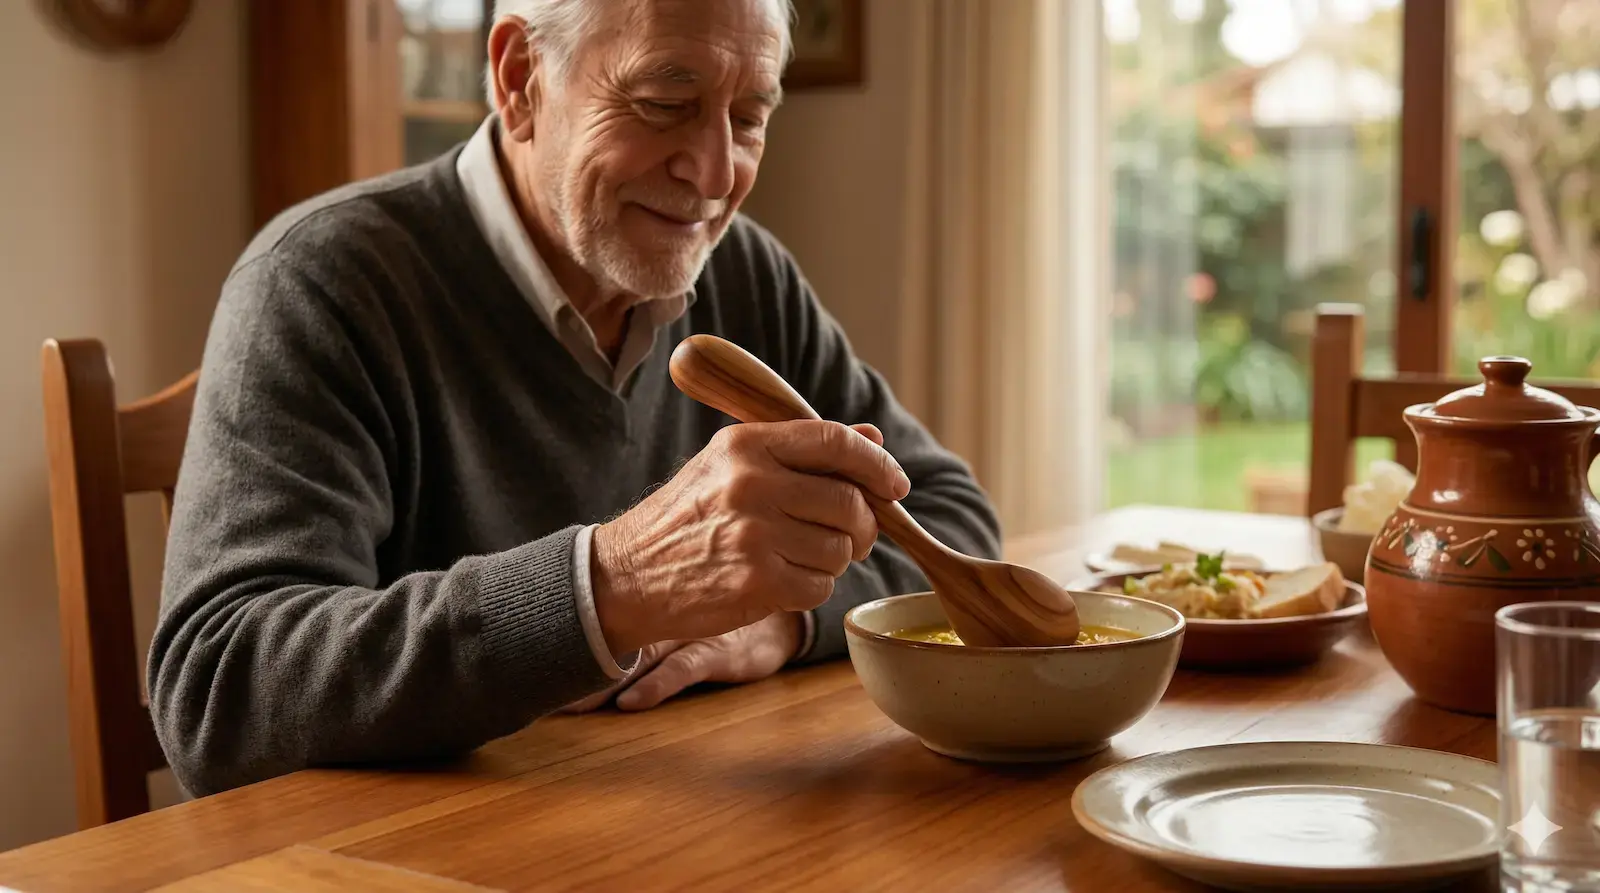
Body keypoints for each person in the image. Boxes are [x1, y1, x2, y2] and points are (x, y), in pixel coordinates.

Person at [150, 0, 1001, 797]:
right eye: (666, 101)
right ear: (522, 78)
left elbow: (953, 522)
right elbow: (219, 687)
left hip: (659, 834)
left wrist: (775, 628)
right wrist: (616, 583)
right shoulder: (323, 282)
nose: (715, 175)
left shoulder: (746, 273)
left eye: (748, 118)